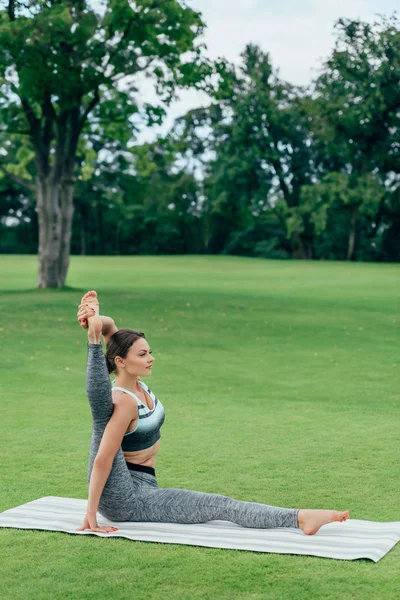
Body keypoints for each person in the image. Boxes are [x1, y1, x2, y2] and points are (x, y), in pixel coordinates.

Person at [76, 290, 349, 535]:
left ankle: (300, 518)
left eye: (150, 352)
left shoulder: (135, 382)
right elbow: (102, 459)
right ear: (122, 362)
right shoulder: (122, 402)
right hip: (127, 499)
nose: (151, 358)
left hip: (145, 483)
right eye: (143, 354)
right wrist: (91, 515)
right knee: (217, 505)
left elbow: (113, 331)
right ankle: (300, 519)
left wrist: (95, 318)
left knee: (213, 504)